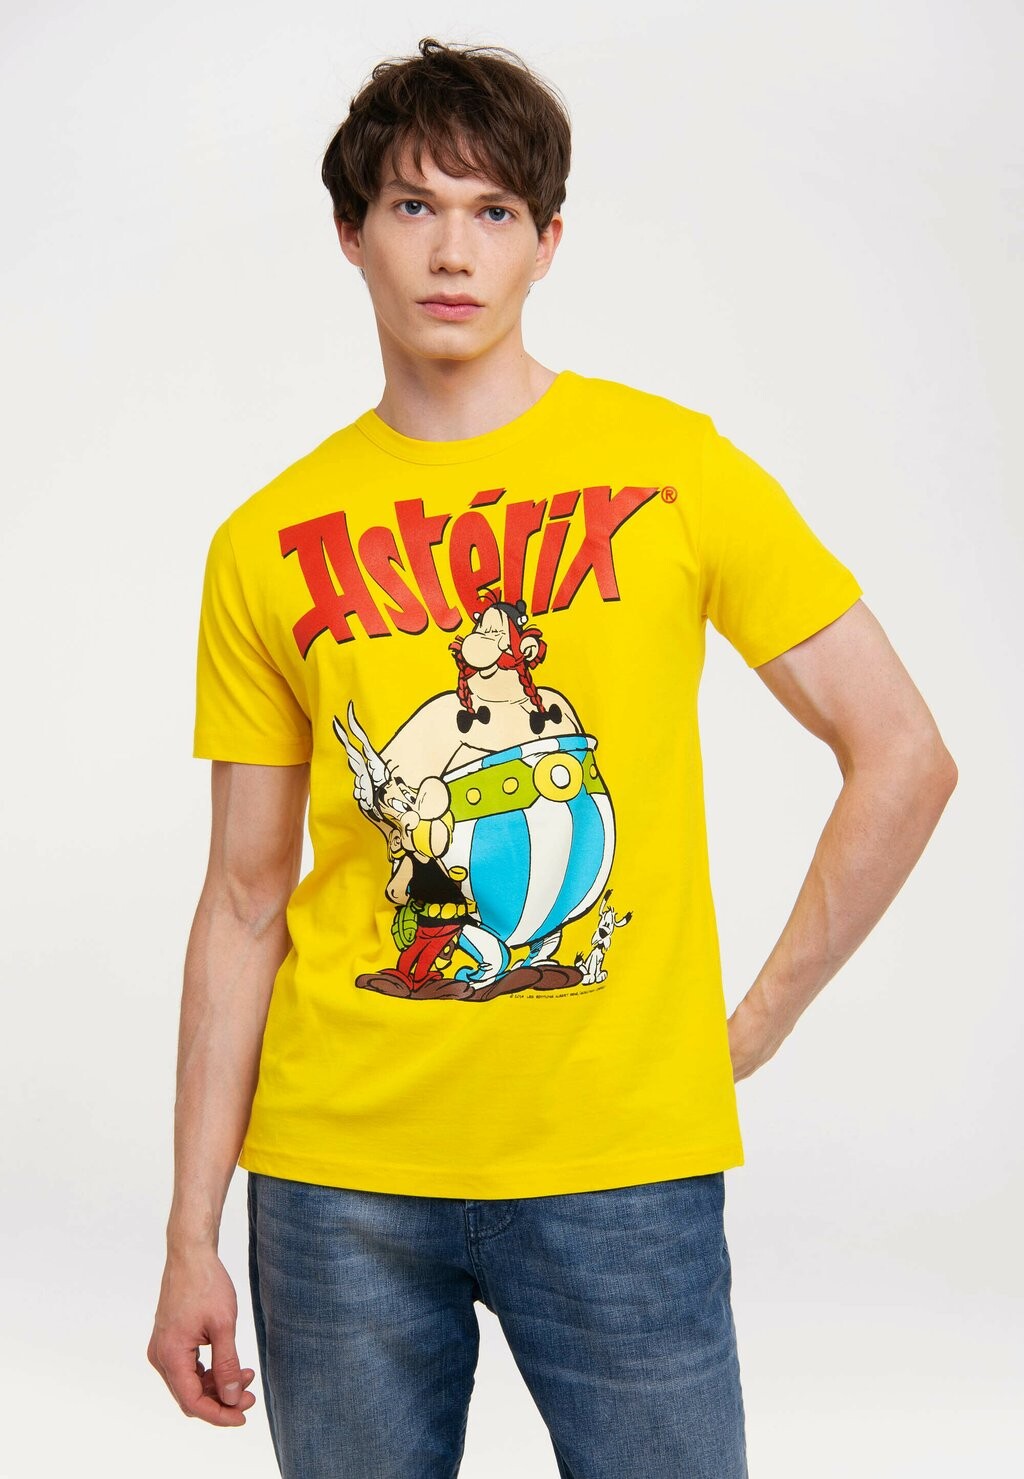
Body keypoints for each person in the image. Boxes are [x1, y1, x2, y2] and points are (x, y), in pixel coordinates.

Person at [147, 36, 958, 1479]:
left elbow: (901, 753)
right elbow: (244, 899)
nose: (453, 250)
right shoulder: (264, 543)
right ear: (350, 234)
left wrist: (751, 1027)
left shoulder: (673, 469)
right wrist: (189, 1233)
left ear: (548, 241)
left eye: (495, 210)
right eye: (412, 206)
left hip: (620, 1169)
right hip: (338, 1183)